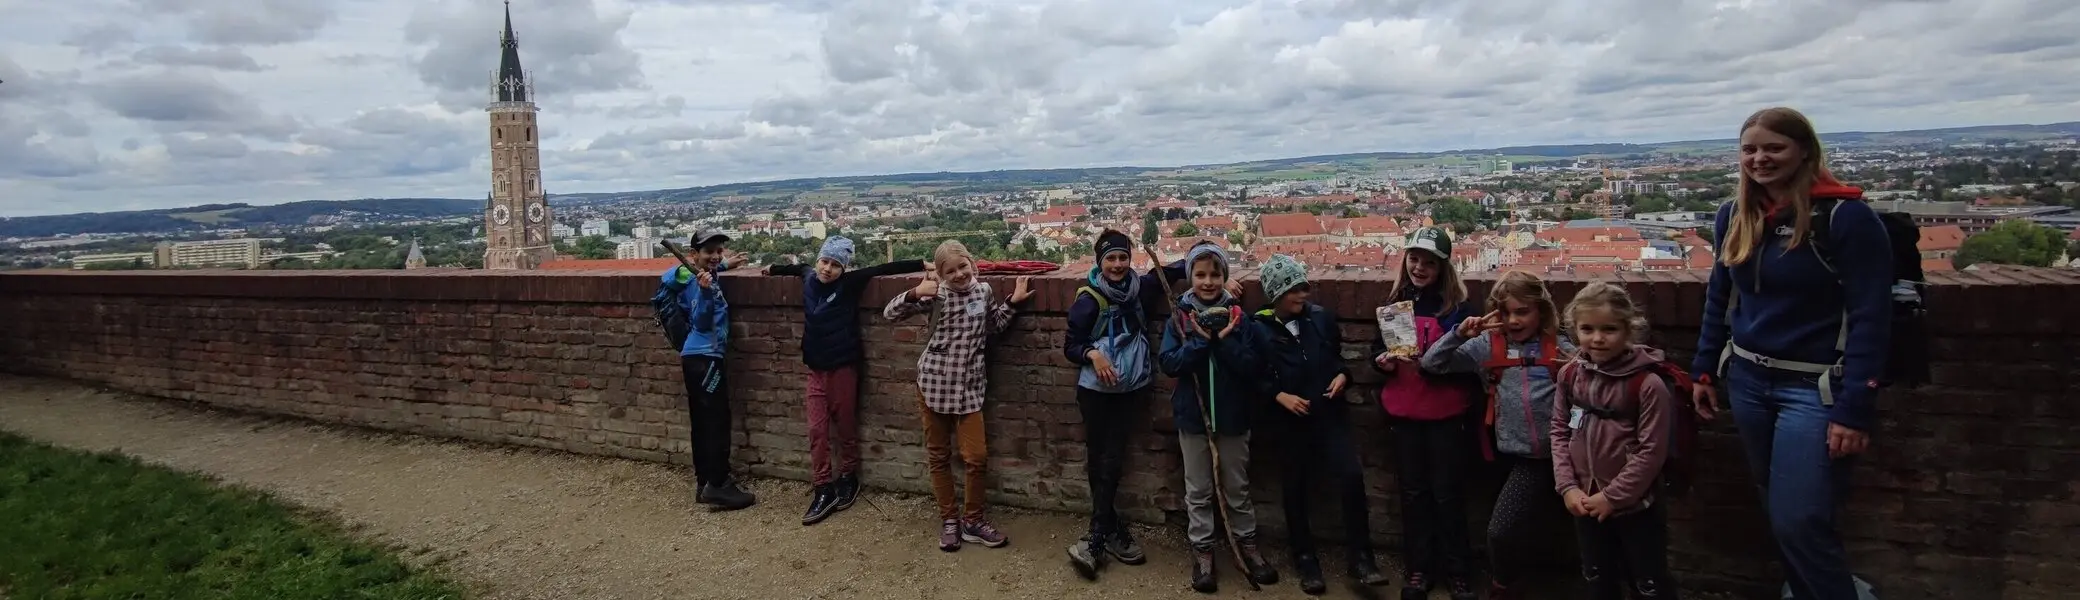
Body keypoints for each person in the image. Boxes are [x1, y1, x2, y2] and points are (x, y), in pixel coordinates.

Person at [1693, 106, 1891, 600]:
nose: (1759, 159)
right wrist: (1703, 369)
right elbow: (1721, 296)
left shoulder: (1846, 217)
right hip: (1748, 380)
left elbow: (1871, 316)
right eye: (1749, 149)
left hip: (1816, 388)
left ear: (1804, 151)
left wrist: (1855, 407)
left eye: (1773, 148)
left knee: (1799, 518)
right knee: (1782, 513)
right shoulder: (1734, 215)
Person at [1063, 230, 1221, 579]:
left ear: (1130, 258)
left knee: (1111, 459)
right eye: (1110, 259)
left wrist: (1224, 272)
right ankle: (1102, 534)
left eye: (1122, 257)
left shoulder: (1144, 288)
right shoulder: (1088, 300)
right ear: (1099, 262)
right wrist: (1092, 354)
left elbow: (1186, 265)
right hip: (1096, 391)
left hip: (1129, 388)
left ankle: (1101, 535)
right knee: (1101, 461)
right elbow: (1071, 345)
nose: (1118, 265)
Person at [1419, 270, 1575, 600]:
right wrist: (1459, 334)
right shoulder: (1488, 344)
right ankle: (1509, 582)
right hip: (1504, 453)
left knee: (1511, 531)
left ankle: (1506, 585)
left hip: (1551, 457)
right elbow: (1432, 363)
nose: (1514, 320)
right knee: (1510, 531)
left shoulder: (1559, 347)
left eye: (1523, 311)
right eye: (1506, 312)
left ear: (1541, 311)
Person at [764, 236, 929, 526]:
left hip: (843, 366)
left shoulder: (850, 284)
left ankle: (848, 476)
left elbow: (883, 268)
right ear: (818, 261)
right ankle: (823, 486)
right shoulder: (808, 277)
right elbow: (797, 268)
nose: (827, 269)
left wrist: (920, 264)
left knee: (845, 424)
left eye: (835, 265)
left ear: (844, 268)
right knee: (816, 429)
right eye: (825, 261)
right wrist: (772, 269)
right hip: (815, 368)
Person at [883, 240, 1034, 552]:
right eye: (950, 271)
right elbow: (889, 313)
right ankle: (950, 519)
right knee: (939, 456)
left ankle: (973, 520)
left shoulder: (984, 291)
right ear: (940, 274)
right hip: (934, 385)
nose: (959, 274)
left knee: (976, 457)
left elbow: (994, 326)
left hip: (969, 388)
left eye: (962, 266)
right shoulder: (936, 295)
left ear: (972, 263)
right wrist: (914, 293)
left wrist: (1014, 303)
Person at [1250, 254, 1385, 596]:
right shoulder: (1258, 329)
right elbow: (1253, 375)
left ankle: (1362, 556)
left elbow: (1337, 359)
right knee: (1295, 487)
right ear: (1276, 294)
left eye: (1304, 289)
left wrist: (1343, 375)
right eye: (1294, 291)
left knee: (1351, 477)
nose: (1303, 296)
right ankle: (1305, 557)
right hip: (1289, 420)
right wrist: (1278, 395)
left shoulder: (1321, 319)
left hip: (1329, 412)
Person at [1156, 241, 1275, 593]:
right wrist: (1200, 342)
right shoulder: (1179, 318)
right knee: (1199, 489)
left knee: (1236, 485)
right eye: (1200, 274)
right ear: (1190, 276)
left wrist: (1221, 341)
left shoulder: (1239, 319)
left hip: (1234, 415)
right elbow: (1169, 363)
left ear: (1225, 276)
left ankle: (1247, 543)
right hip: (1194, 417)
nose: (1208, 282)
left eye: (1215, 274)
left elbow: (1254, 367)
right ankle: (1203, 550)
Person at [1551, 282, 1679, 600]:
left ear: (1629, 329)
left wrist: (1613, 497)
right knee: (1597, 577)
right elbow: (1558, 430)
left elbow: (1651, 451)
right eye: (1587, 328)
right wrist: (1568, 487)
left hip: (1636, 506)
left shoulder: (1648, 384)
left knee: (1647, 579)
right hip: (1584, 499)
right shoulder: (1570, 375)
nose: (1597, 338)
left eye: (1609, 329)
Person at [1372, 227, 1480, 600]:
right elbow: (1377, 350)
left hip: (1446, 413)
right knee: (1414, 495)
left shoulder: (1458, 310)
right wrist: (1382, 362)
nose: (1419, 267)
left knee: (1448, 494)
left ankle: (1458, 570)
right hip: (1406, 412)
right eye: (1414, 259)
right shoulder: (1396, 302)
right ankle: (1419, 569)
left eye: (1428, 262)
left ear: (1443, 267)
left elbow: (1465, 362)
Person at [660, 229, 756, 511]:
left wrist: (725, 266)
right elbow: (701, 321)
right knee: (715, 421)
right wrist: (705, 294)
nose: (715, 256)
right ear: (694, 256)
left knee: (702, 422)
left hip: (695, 357)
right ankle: (719, 483)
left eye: (719, 252)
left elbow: (706, 273)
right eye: (709, 252)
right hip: (705, 358)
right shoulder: (697, 283)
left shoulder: (700, 275)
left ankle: (704, 481)